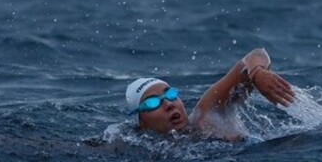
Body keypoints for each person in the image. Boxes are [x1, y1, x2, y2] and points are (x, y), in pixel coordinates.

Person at [125, 47, 296, 142]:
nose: (168, 104)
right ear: (142, 124)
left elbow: (255, 55)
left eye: (170, 94)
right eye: (153, 103)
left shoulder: (207, 114)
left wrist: (257, 72)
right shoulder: (143, 149)